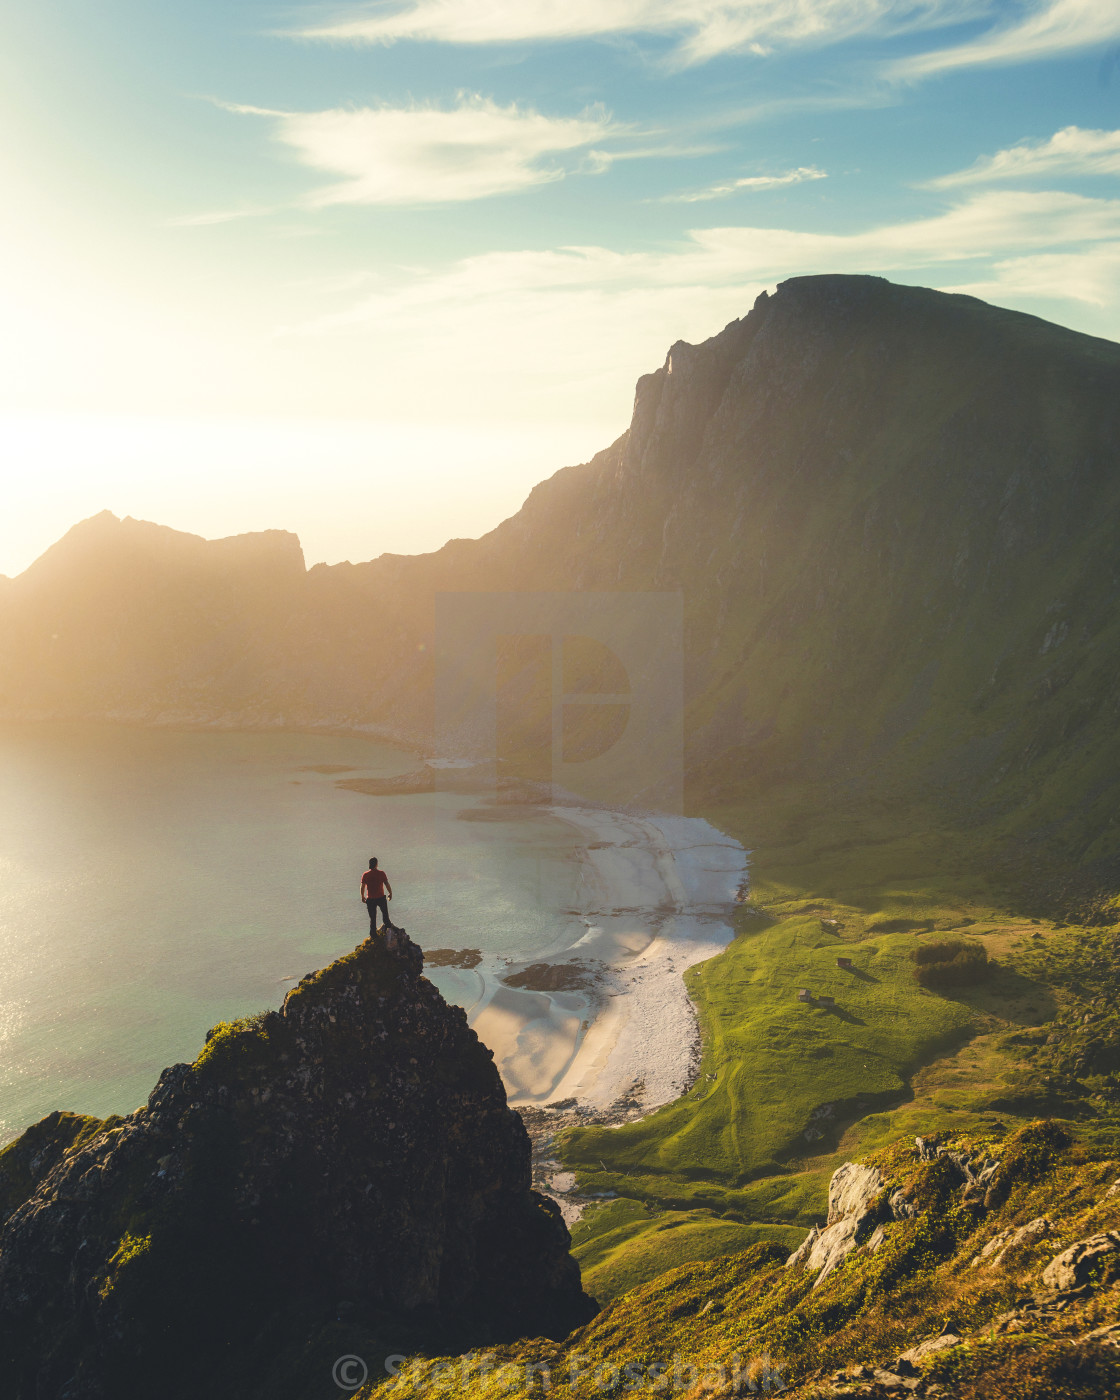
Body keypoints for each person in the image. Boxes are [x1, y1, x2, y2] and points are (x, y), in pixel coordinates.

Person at [360, 857, 394, 936]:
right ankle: (388, 930)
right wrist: (390, 893)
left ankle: (373, 935)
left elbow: (362, 886)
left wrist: (362, 896)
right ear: (376, 864)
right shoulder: (381, 873)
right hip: (381, 898)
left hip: (370, 899)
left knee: (372, 918)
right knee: (385, 915)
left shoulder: (366, 874)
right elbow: (386, 884)